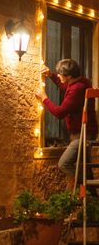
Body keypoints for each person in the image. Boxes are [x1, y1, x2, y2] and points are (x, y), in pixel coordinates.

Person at [35, 59, 98, 189]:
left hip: (82, 134)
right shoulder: (81, 82)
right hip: (85, 132)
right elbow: (66, 86)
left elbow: (60, 113)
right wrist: (51, 75)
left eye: (60, 73)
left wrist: (44, 98)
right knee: (84, 166)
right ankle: (92, 198)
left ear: (69, 76)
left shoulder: (76, 90)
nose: (58, 75)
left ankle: (86, 182)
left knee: (64, 163)